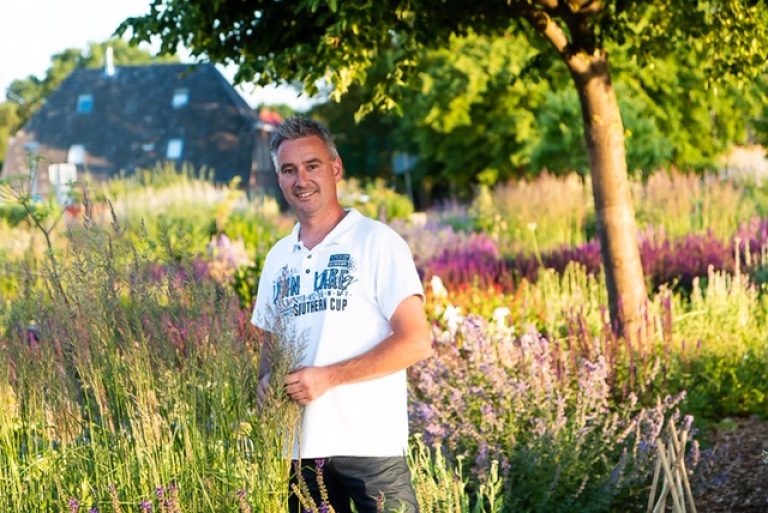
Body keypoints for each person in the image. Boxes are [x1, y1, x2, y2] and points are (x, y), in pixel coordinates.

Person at [251, 116, 432, 513]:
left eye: (312, 165)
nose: (302, 179)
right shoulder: (278, 258)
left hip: (370, 447)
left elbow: (416, 341)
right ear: (279, 180)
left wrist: (330, 377)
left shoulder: (378, 243)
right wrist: (265, 380)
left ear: (335, 168)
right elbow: (270, 348)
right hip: (299, 453)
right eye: (289, 170)